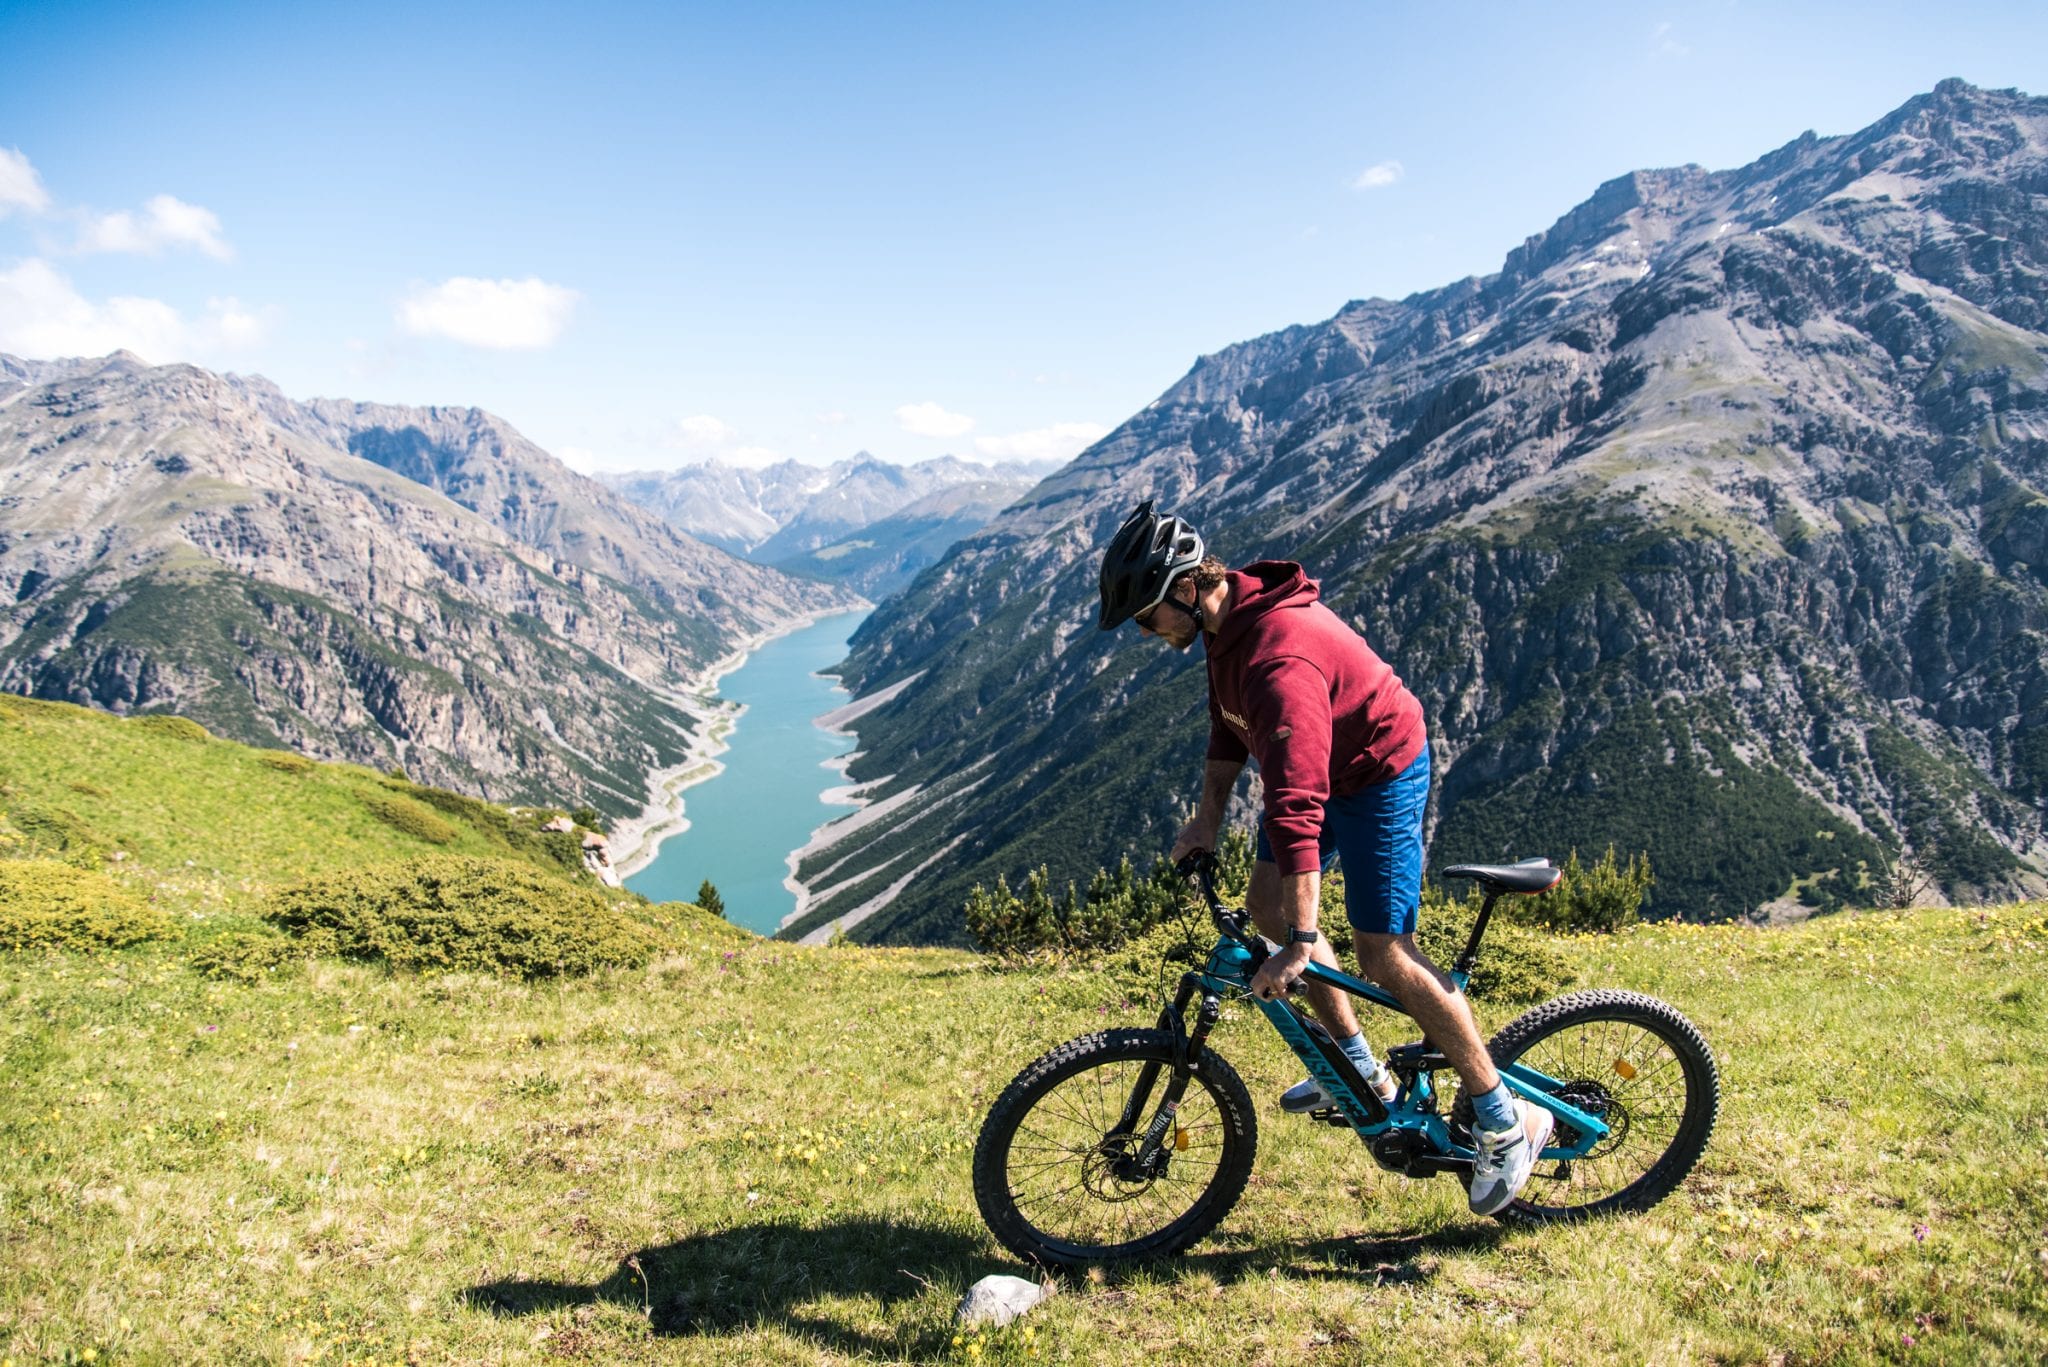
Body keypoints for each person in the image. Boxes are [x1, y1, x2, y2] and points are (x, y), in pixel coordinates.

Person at [1096, 499, 1551, 1216]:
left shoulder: (1278, 655)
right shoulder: (1224, 625)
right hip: (1324, 768)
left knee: (1384, 954)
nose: (1148, 633)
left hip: (1378, 772)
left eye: (1148, 616)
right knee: (1264, 906)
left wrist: (1302, 944)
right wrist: (1207, 818)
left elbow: (1298, 806)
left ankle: (1503, 1117)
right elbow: (1229, 725)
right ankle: (1361, 1072)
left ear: (1187, 587)